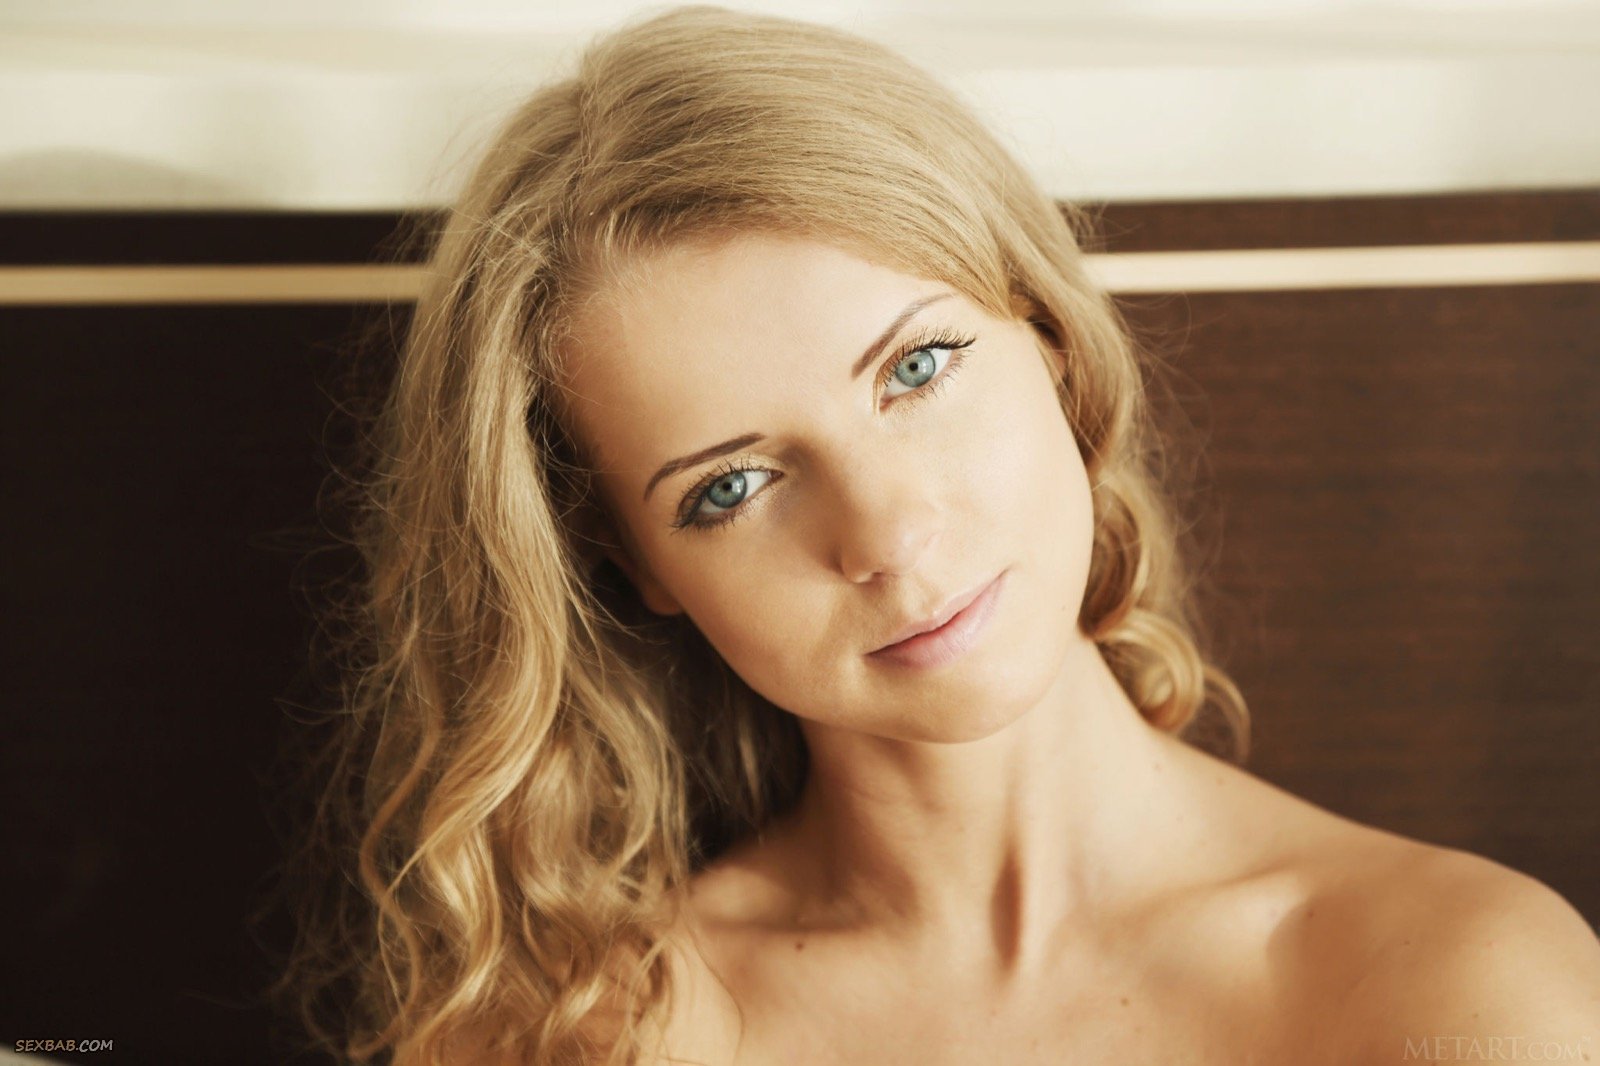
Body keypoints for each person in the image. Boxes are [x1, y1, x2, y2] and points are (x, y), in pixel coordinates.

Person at [273, 5, 1600, 1064]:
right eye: (732, 486)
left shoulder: (1458, 987)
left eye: (917, 369)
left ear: (1051, 337)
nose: (891, 534)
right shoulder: (582, 1038)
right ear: (634, 567)